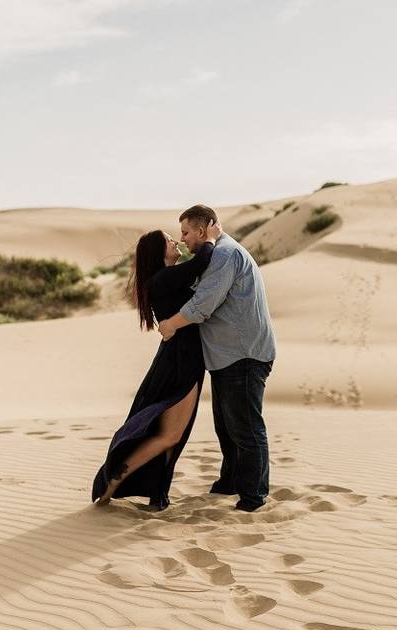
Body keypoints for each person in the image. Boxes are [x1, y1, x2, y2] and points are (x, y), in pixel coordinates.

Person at [92, 218, 223, 510]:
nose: (176, 241)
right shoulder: (162, 279)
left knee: (174, 434)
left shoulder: (167, 278)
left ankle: (157, 495)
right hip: (181, 361)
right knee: (170, 434)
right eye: (169, 240)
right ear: (158, 251)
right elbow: (201, 262)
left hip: (182, 357)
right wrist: (211, 238)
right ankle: (112, 479)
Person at [157, 204, 277, 512]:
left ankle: (253, 496)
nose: (182, 239)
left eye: (185, 232)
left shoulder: (225, 255)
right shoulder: (215, 254)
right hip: (228, 355)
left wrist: (170, 324)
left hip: (243, 353)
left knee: (246, 428)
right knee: (227, 425)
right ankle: (231, 481)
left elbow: (203, 305)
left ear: (201, 229)